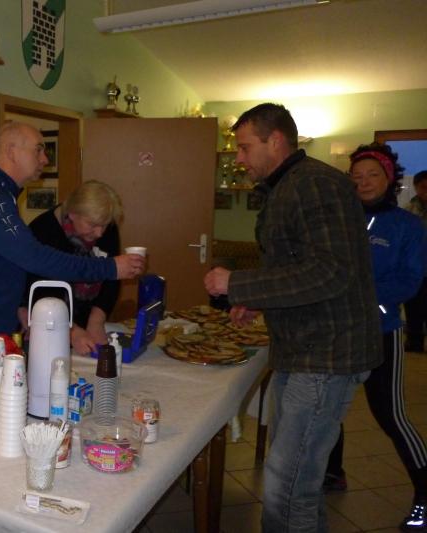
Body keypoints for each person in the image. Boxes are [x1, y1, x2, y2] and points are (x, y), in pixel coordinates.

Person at [203, 103, 382, 532]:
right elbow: (299, 267)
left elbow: (331, 271)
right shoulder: (290, 186)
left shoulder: (314, 184)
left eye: (245, 147)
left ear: (276, 141)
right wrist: (260, 299)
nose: (239, 158)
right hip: (302, 350)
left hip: (326, 354)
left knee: (288, 483)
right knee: (297, 479)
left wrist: (238, 283)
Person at [0, 122, 145, 406]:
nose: (45, 159)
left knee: (0, 410)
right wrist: (110, 268)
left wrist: (20, 309)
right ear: (12, 151)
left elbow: (7, 262)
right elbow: (33, 256)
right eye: (38, 150)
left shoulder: (2, 193)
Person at [323, 144, 427, 531]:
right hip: (337, 332)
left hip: (380, 332)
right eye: (356, 176)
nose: (363, 183)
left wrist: (364, 300)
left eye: (372, 175)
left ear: (389, 179)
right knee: (329, 409)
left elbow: (410, 280)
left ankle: (425, 493)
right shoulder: (339, 221)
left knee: (391, 415)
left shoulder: (407, 226)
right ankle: (332, 473)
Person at [20, 180, 123, 355]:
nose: (100, 233)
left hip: (86, 321)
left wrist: (96, 320)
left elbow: (112, 277)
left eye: (104, 225)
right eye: (92, 225)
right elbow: (38, 291)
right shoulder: (42, 230)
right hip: (49, 325)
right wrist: (71, 330)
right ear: (73, 213)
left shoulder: (106, 227)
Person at [404, 170, 427, 352]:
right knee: (413, 307)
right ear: (416, 187)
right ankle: (414, 342)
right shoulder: (409, 209)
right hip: (414, 268)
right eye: (423, 187)